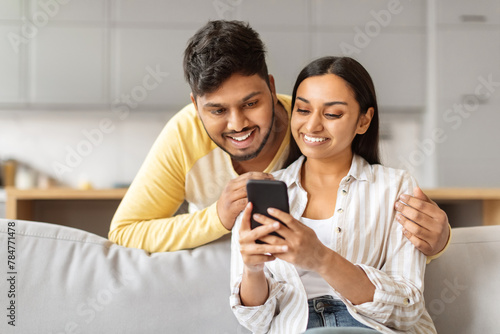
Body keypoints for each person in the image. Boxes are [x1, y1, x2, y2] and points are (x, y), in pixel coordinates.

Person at [108, 20, 450, 255]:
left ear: (272, 87)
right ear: (196, 105)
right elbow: (124, 233)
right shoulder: (184, 133)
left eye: (251, 103)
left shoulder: (309, 129)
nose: (238, 124)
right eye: (217, 111)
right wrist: (217, 218)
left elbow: (369, 224)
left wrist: (437, 242)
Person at [230, 56, 437, 334]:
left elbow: (407, 309)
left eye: (332, 114)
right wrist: (252, 269)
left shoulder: (394, 187)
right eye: (303, 110)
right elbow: (255, 322)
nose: (312, 126)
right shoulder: (261, 192)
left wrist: (321, 259)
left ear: (363, 121)